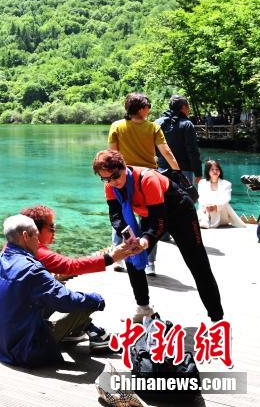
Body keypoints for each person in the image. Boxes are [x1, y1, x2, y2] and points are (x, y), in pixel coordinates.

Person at [93, 149, 223, 323]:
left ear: (124, 167)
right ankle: (144, 308)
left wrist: (145, 241)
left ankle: (217, 319)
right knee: (131, 256)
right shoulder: (111, 185)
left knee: (198, 264)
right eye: (106, 179)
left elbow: (159, 221)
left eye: (115, 176)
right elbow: (115, 215)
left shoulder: (147, 179)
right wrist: (128, 236)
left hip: (180, 212)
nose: (112, 182)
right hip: (150, 214)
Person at [0, 214, 106, 367]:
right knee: (82, 304)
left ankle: (83, 328)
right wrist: (97, 300)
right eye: (36, 235)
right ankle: (86, 328)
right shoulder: (31, 269)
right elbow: (66, 301)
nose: (39, 241)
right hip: (23, 351)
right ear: (25, 236)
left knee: (50, 295)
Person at [19, 205, 131, 351]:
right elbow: (72, 266)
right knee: (86, 302)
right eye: (51, 227)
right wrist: (111, 258)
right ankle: (87, 329)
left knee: (59, 287)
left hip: (9, 327)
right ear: (35, 231)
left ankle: (83, 328)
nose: (55, 231)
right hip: (28, 342)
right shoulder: (38, 253)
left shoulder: (12, 248)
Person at [108, 92, 180, 276]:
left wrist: (112, 178)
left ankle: (118, 256)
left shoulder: (117, 126)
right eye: (148, 106)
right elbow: (166, 151)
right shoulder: (153, 127)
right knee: (151, 221)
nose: (149, 109)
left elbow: (113, 155)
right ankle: (149, 263)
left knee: (122, 216)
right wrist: (177, 171)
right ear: (141, 108)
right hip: (147, 179)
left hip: (124, 178)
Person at [155, 95, 202, 187]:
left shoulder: (157, 122)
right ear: (184, 107)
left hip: (162, 169)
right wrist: (198, 172)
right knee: (185, 195)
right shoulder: (187, 124)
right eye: (188, 107)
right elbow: (193, 151)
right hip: (184, 170)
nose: (189, 110)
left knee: (164, 195)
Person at [197, 159, 245, 229]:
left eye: (217, 169)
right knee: (202, 208)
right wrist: (207, 206)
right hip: (206, 209)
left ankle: (207, 222)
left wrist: (215, 207)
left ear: (220, 171)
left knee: (222, 205)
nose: (215, 171)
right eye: (212, 169)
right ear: (207, 171)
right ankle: (205, 221)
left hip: (221, 210)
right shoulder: (202, 183)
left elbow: (227, 198)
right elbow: (201, 198)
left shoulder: (226, 184)